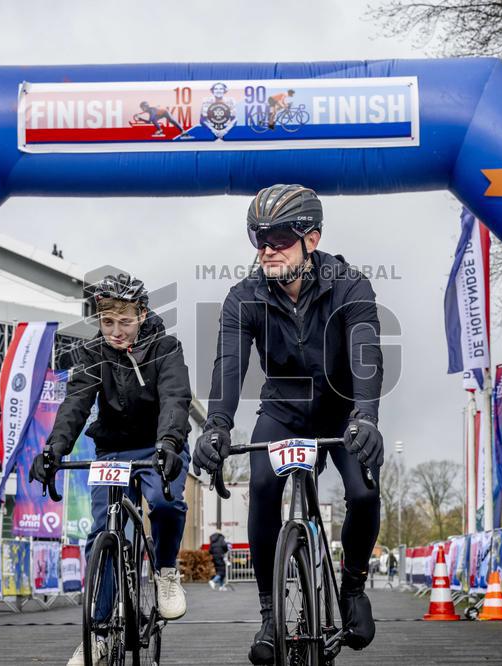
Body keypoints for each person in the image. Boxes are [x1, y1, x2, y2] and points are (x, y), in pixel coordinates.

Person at [193, 184, 384, 664]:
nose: (267, 249)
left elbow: (365, 354)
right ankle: (269, 613)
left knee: (363, 493)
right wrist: (216, 425)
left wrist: (367, 416)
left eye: (278, 239)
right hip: (283, 409)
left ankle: (353, 587)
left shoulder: (350, 285)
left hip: (343, 408)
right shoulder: (244, 297)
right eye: (259, 239)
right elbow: (229, 364)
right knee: (261, 486)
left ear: (311, 240)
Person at [29, 273, 192, 666]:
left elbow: (175, 397)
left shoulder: (166, 347)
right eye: (107, 322)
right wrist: (53, 450)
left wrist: (170, 442)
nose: (115, 332)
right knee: (104, 532)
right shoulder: (93, 352)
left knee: (165, 502)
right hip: (113, 450)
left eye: (125, 321)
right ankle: (98, 633)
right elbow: (75, 404)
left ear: (142, 314)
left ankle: (166, 572)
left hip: (158, 445)